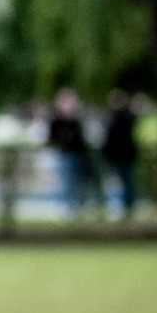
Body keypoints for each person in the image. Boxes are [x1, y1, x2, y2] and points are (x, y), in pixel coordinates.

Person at [45, 87, 92, 218]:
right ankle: (67, 207)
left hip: (77, 154)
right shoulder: (56, 120)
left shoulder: (77, 119)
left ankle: (77, 206)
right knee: (65, 181)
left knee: (77, 181)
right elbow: (51, 138)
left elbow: (81, 138)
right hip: (63, 154)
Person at [101, 90, 139, 218]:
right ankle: (117, 207)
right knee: (115, 184)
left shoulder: (127, 117)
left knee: (127, 183)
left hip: (125, 156)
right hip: (114, 156)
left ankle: (127, 207)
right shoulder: (110, 118)